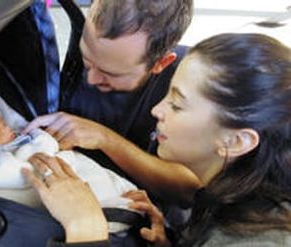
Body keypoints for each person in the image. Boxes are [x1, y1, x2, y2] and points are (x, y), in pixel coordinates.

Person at [23, 33, 291, 246]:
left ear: (237, 142)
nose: (157, 110)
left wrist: (86, 227)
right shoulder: (233, 197)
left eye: (177, 104)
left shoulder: (260, 240)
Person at [24, 0, 201, 205]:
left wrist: (105, 139)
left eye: (110, 74)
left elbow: (191, 189)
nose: (91, 79)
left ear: (160, 63)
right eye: (87, 60)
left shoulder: (195, 86)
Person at [0, 108, 141, 233]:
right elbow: (10, 170)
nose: (4, 129)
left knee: (102, 181)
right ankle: (117, 210)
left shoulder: (24, 135)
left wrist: (43, 139)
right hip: (37, 169)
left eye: (3, 124)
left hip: (63, 162)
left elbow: (47, 142)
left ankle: (121, 200)